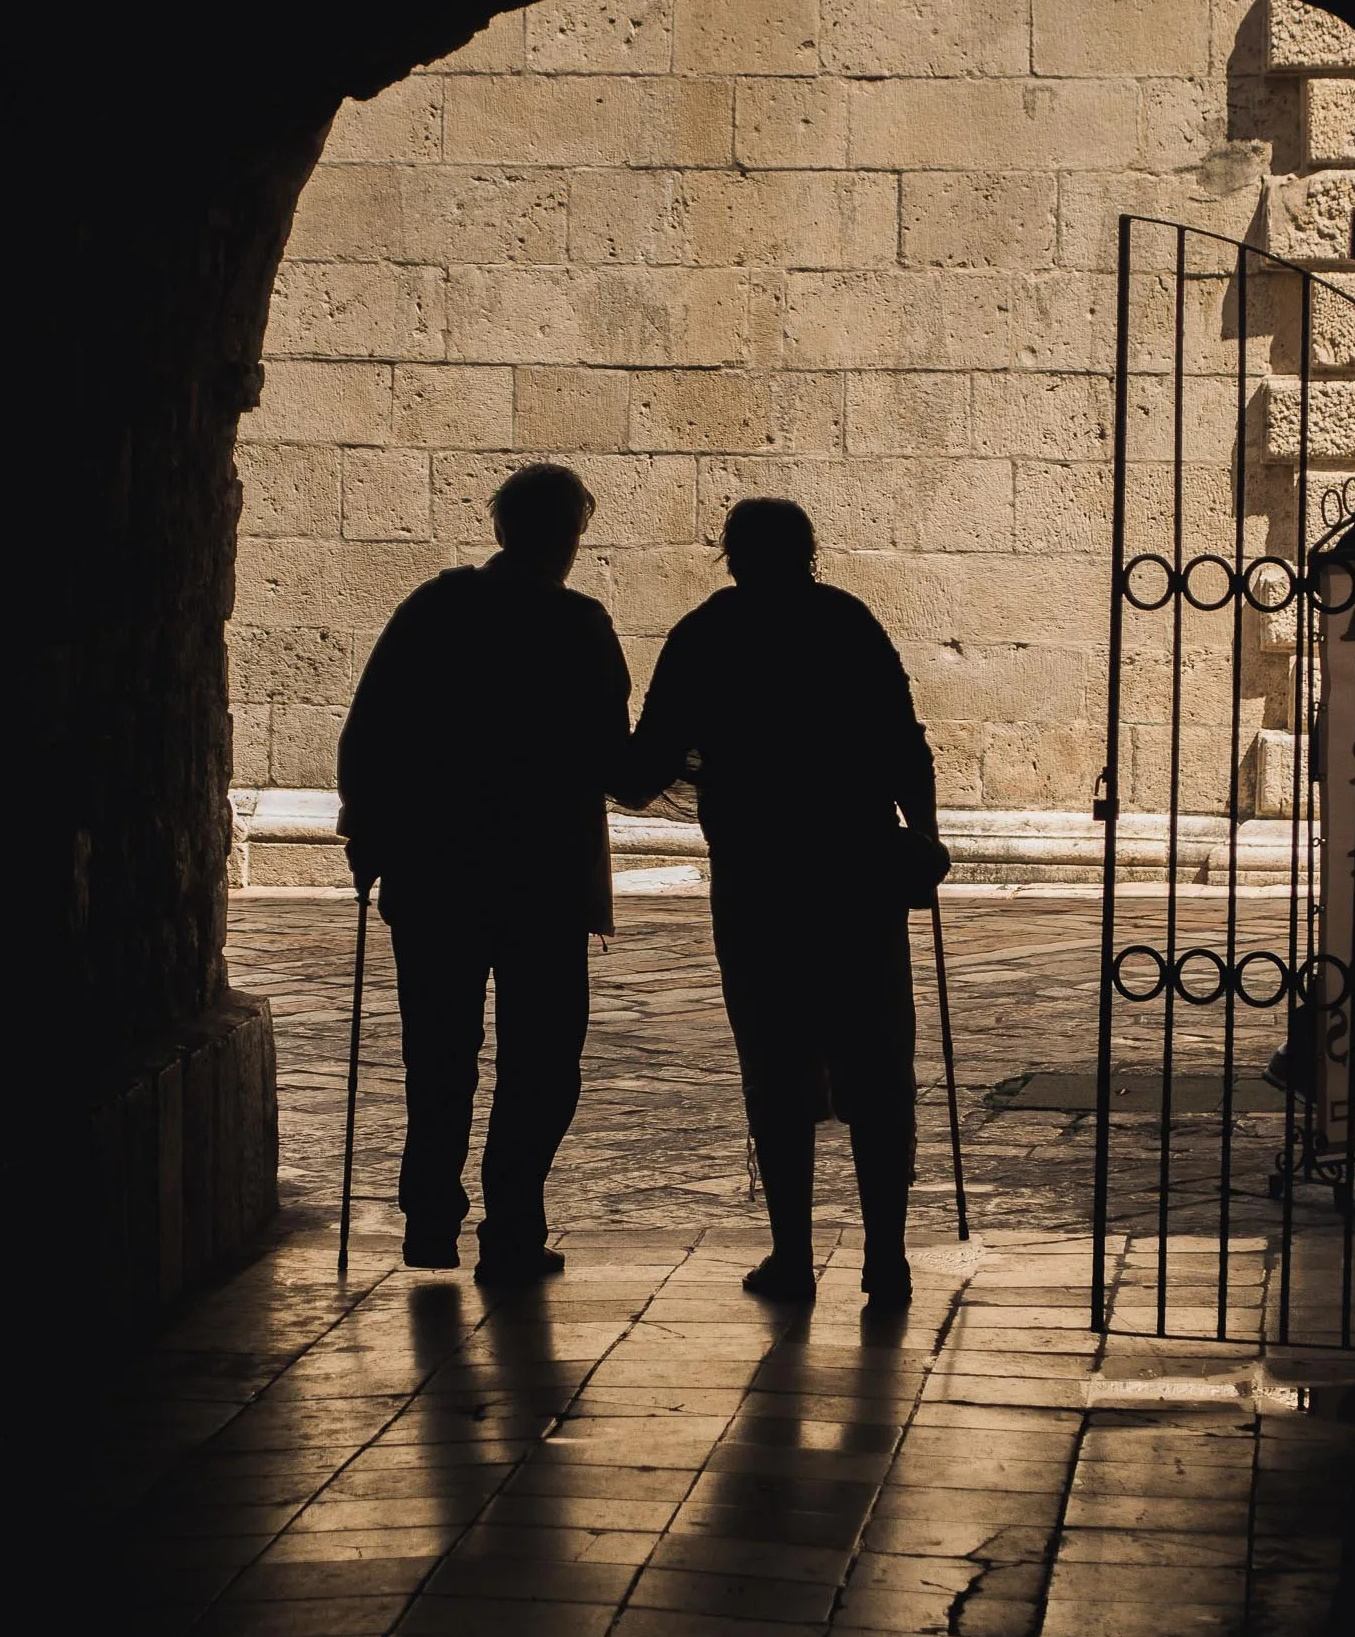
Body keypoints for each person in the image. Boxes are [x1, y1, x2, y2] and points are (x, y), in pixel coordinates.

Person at [614, 498, 947, 1309]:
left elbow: (641, 768)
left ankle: (793, 1257)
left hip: (760, 880)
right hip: (858, 874)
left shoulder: (706, 634)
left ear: (731, 554)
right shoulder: (849, 623)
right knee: (875, 1063)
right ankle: (886, 1259)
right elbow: (907, 746)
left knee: (774, 1060)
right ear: (810, 550)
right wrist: (927, 842)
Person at [336, 463, 629, 1283]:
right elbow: (613, 752)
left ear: (501, 530)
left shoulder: (433, 609)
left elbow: (370, 729)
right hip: (540, 874)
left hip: (435, 873)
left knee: (437, 1053)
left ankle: (430, 1221)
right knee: (541, 1057)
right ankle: (511, 1227)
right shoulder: (577, 625)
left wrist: (368, 833)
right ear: (569, 537)